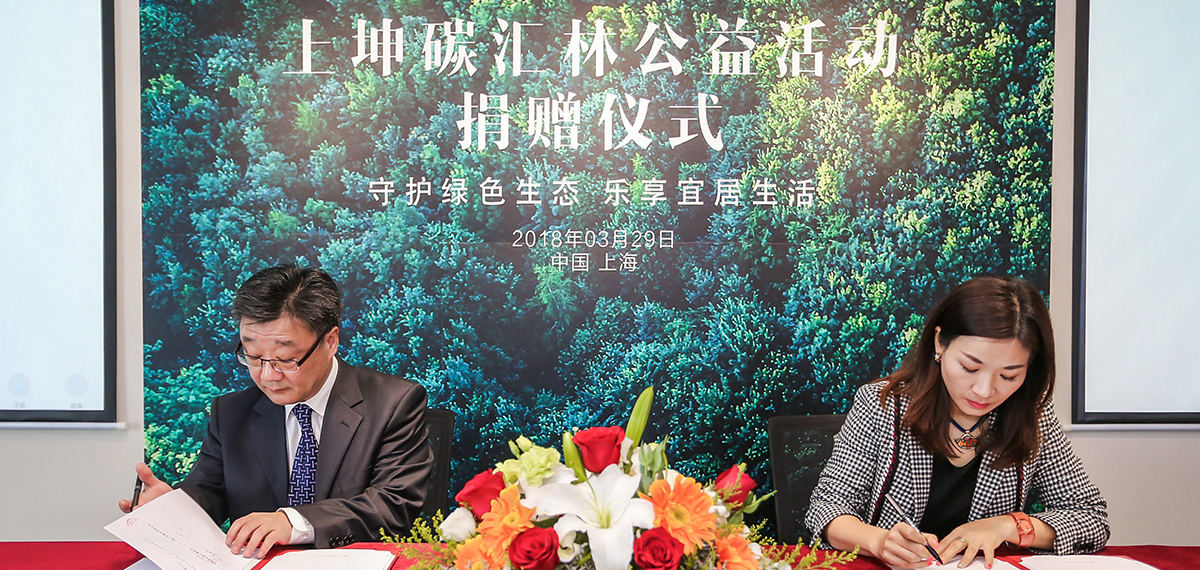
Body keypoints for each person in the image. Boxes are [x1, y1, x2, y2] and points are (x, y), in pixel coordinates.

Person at [119, 264, 433, 557]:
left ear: (330, 341)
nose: (268, 376)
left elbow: (393, 505)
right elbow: (208, 491)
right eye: (253, 356)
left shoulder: (393, 403)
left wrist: (292, 522)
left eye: (285, 360)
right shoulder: (232, 412)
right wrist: (172, 512)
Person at [805, 276, 1108, 569]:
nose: (984, 391)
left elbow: (1091, 517)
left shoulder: (1033, 413)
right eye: (969, 367)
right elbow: (826, 509)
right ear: (940, 343)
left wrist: (1007, 526)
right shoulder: (882, 405)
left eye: (1008, 375)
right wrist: (879, 541)